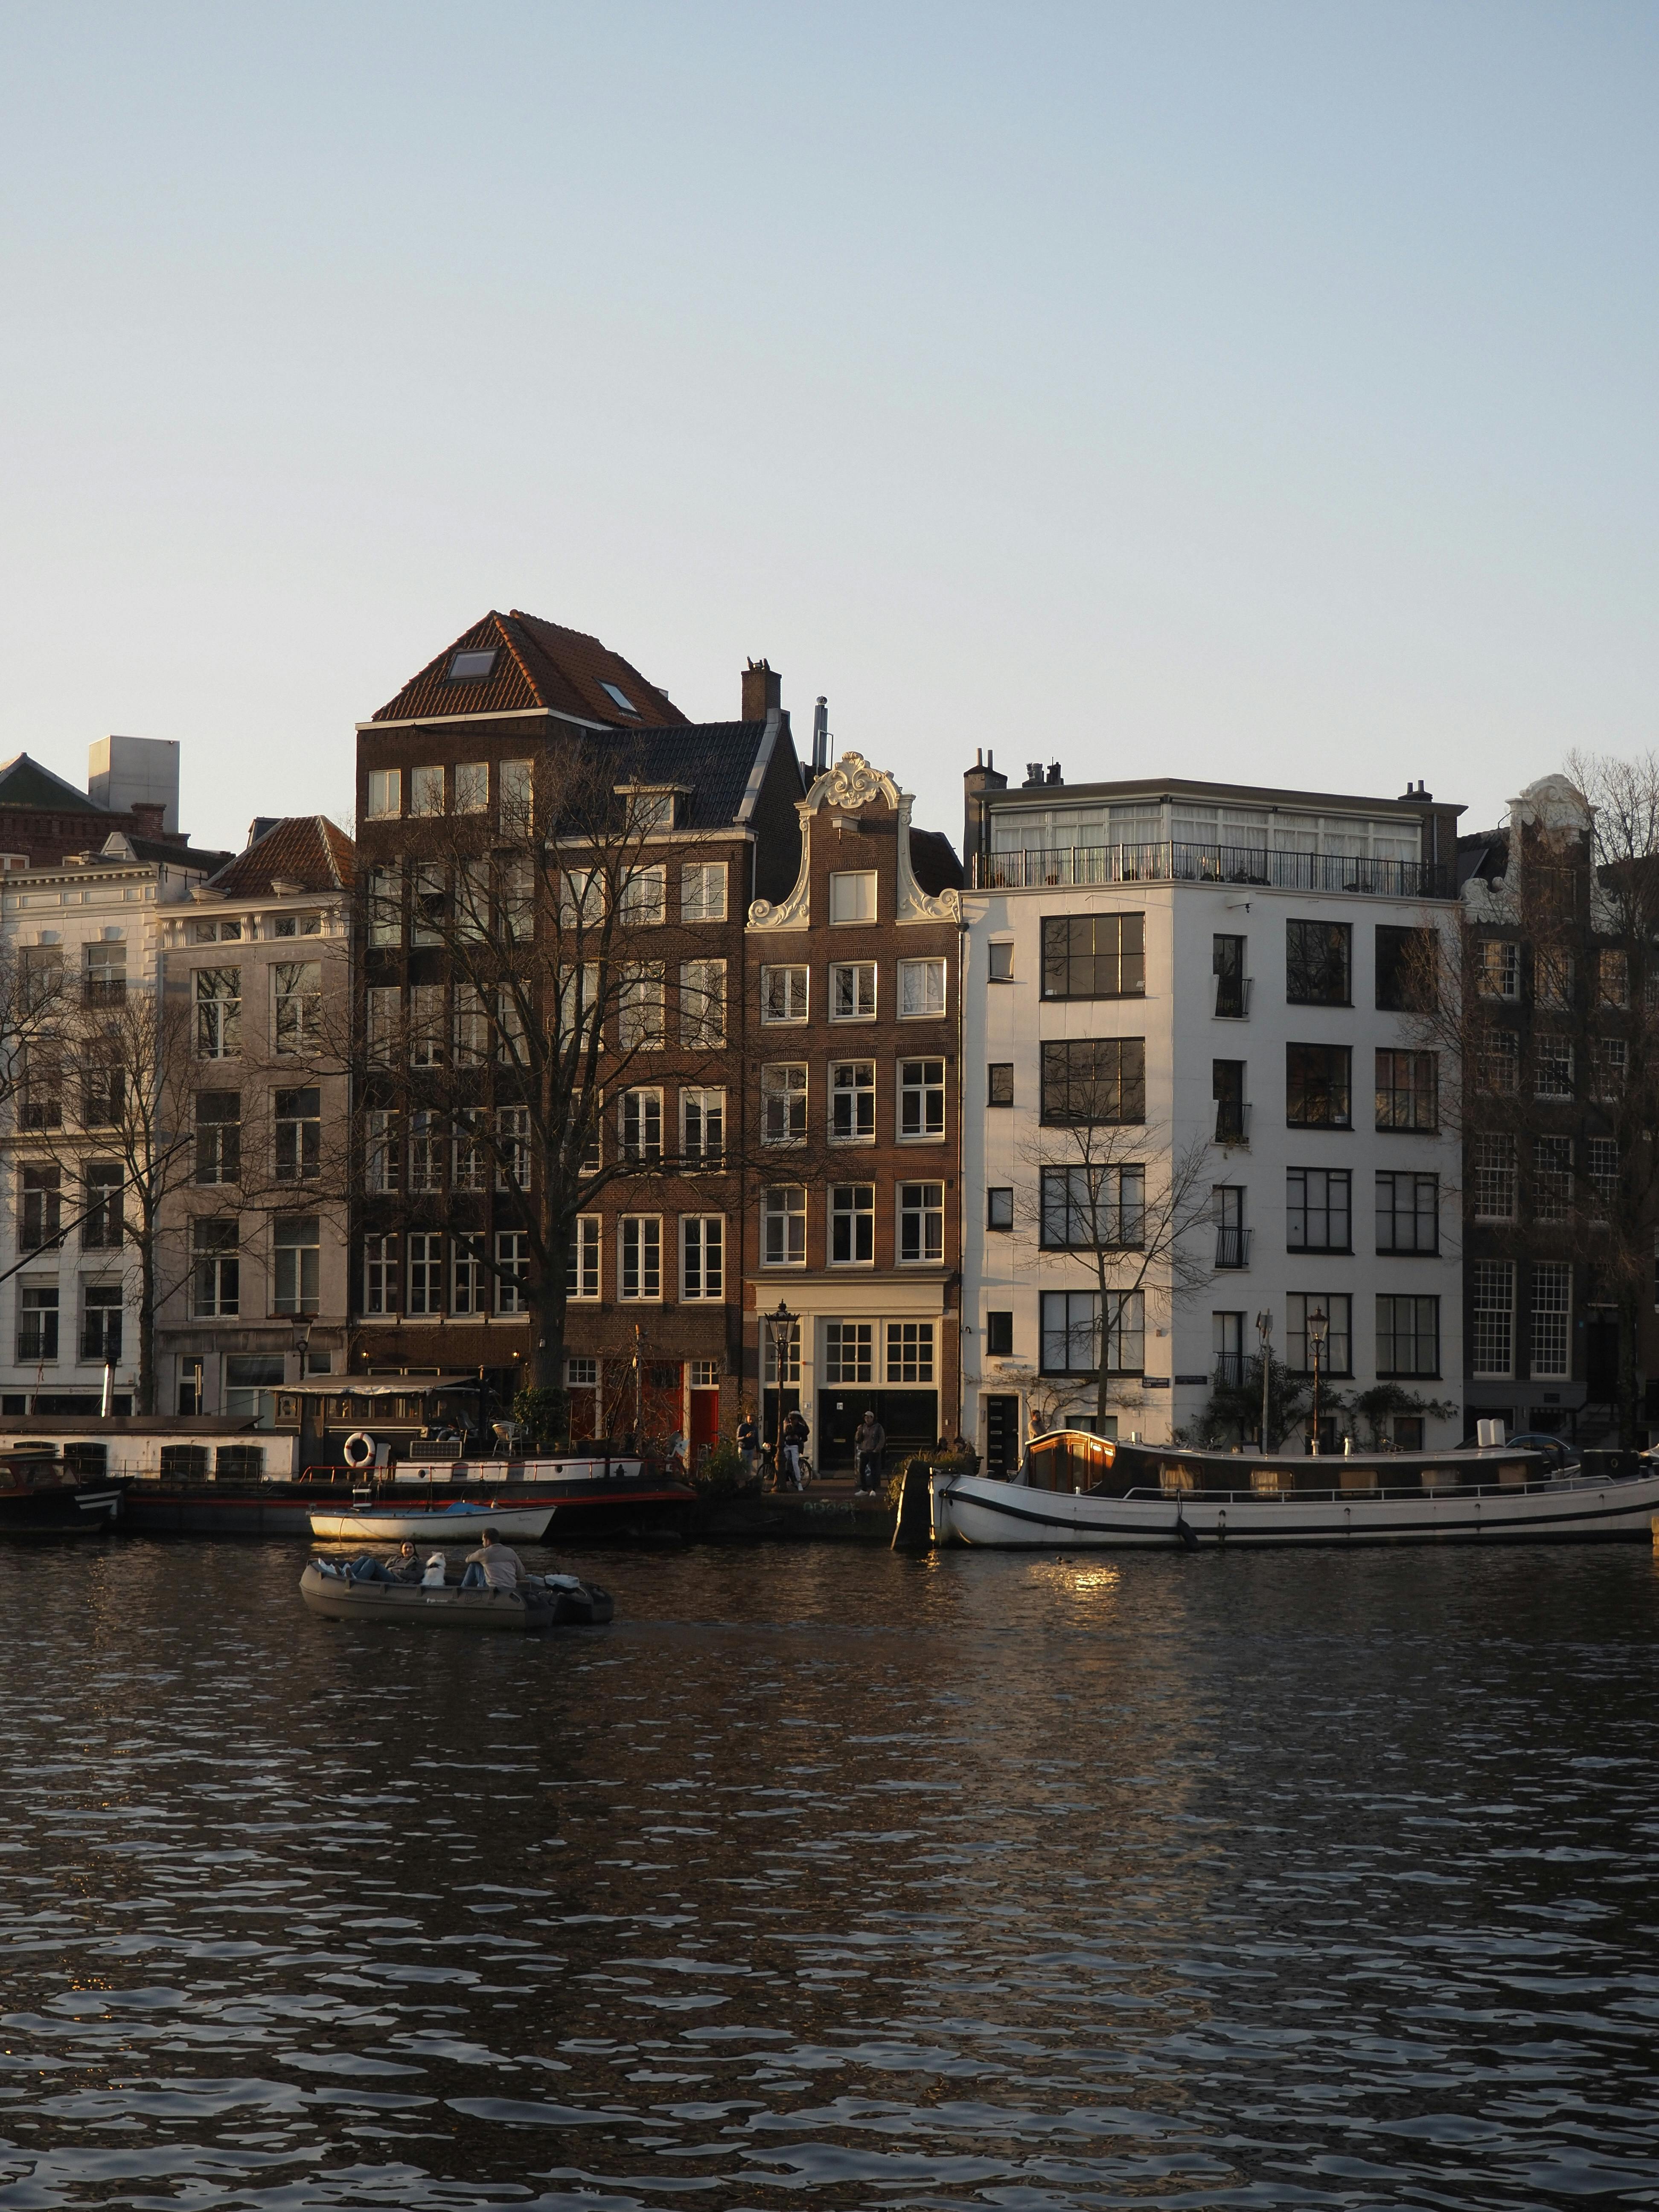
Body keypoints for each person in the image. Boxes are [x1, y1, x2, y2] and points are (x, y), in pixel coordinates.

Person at [460, 1528, 528, 1591]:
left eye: (483, 1541)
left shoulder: (484, 1553)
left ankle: (461, 1591)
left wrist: (481, 1560)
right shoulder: (511, 1552)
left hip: (493, 1591)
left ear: (488, 1541)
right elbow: (521, 1574)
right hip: (511, 1589)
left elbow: (468, 1559)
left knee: (474, 1565)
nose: (483, 1543)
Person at [348, 1542, 424, 1585]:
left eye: (411, 1548)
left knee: (372, 1562)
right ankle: (346, 1573)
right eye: (406, 1548)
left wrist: (398, 1572)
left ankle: (357, 1581)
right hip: (387, 1573)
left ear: (414, 1549)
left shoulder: (418, 1562)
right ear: (402, 1550)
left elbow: (416, 1575)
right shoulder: (395, 1559)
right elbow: (384, 1567)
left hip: (396, 1579)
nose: (408, 1550)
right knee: (364, 1558)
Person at [854, 1409, 885, 1495]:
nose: (867, 1419)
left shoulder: (878, 1427)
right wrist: (859, 1432)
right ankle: (864, 1489)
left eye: (868, 1418)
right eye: (865, 1418)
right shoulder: (863, 1427)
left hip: (873, 1452)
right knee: (861, 1470)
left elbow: (882, 1439)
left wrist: (877, 1450)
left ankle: (874, 1489)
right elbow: (858, 1440)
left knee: (874, 1471)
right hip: (865, 1451)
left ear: (872, 1418)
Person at [780, 1407, 809, 1490]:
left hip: (795, 1446)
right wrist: (787, 1437)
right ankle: (786, 1480)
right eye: (791, 1419)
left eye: (794, 1419)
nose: (792, 1421)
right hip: (787, 1445)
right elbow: (784, 1435)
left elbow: (805, 1437)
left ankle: (799, 1483)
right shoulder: (788, 1426)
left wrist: (798, 1438)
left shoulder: (801, 1427)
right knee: (784, 1462)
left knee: (795, 1462)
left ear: (797, 1419)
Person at [736, 1406, 760, 1484]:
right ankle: (741, 1482)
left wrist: (758, 1450)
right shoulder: (742, 1427)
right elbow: (737, 1439)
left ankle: (747, 1482)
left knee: (749, 1467)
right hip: (743, 1449)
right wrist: (746, 1437)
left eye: (753, 1420)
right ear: (747, 1419)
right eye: (750, 1419)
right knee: (742, 1465)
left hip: (751, 1449)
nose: (751, 1421)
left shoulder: (755, 1428)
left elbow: (757, 1440)